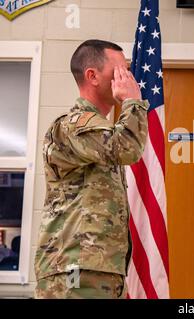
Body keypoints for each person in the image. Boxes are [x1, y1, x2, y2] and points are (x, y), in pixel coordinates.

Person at [34, 40, 148, 299]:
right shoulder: (73, 126)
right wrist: (132, 101)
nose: (127, 77)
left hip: (99, 269)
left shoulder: (102, 129)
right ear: (92, 76)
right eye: (120, 70)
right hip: (75, 270)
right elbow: (127, 148)